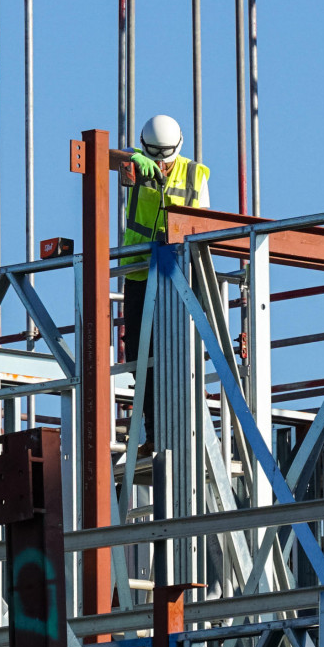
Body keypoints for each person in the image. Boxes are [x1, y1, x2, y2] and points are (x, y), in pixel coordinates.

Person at [120, 115, 209, 446]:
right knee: (139, 354)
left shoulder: (195, 174)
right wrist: (131, 159)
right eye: (154, 157)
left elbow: (209, 227)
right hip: (139, 271)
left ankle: (182, 430)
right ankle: (154, 433)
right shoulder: (136, 161)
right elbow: (105, 157)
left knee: (175, 353)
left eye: (165, 159)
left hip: (177, 276)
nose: (161, 165)